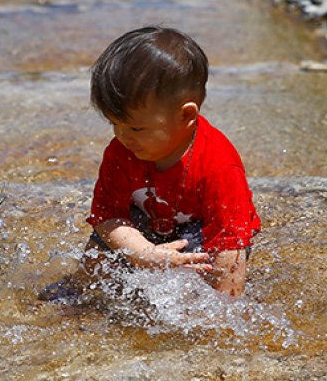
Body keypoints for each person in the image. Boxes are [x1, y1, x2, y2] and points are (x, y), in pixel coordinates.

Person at [43, 26, 260, 300]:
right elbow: (107, 216)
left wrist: (222, 316)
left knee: (199, 271)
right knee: (100, 250)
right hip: (144, 224)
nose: (120, 136)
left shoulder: (219, 167)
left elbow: (230, 248)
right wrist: (142, 253)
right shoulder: (121, 151)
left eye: (135, 128)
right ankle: (83, 293)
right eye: (114, 123)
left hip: (200, 234)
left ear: (186, 115)